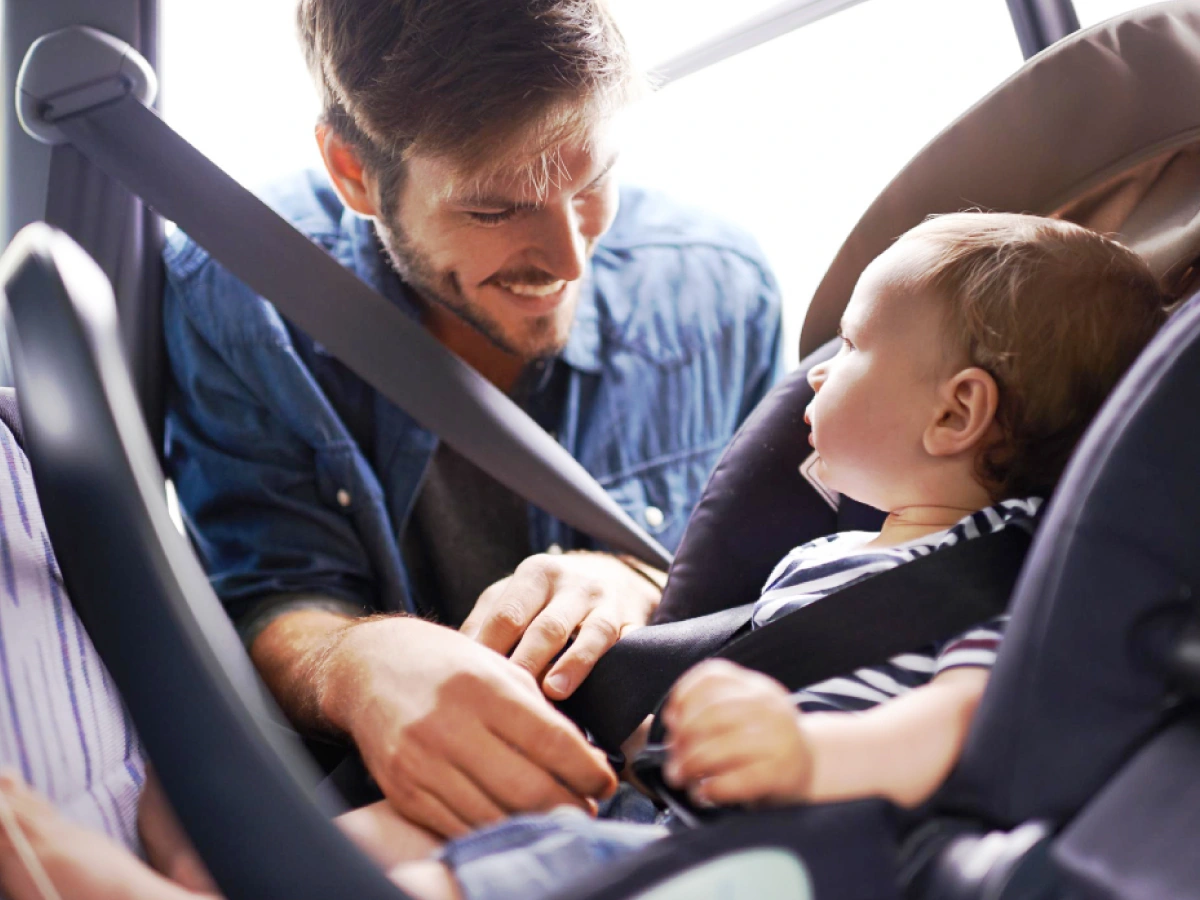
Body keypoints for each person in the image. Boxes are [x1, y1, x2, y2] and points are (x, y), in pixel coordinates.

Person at [0, 212, 1169, 900]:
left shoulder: (1006, 574)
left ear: (957, 415)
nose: (815, 371)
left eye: (855, 346)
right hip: (635, 802)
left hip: (743, 849)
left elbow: (968, 722)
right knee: (215, 824)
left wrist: (813, 754)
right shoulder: (840, 552)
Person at [162, 0, 783, 838]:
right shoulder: (238, 298)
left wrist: (644, 583)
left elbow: (788, 572)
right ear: (352, 172)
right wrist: (356, 664)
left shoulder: (722, 291)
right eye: (495, 209)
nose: (569, 258)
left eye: (593, 181)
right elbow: (268, 586)